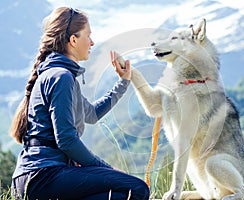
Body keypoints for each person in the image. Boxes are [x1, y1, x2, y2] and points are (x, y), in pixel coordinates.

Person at [9, 7, 149, 200]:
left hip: (36, 177)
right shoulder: (62, 77)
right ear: (73, 40)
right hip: (43, 176)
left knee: (118, 191)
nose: (92, 42)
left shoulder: (60, 75)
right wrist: (109, 170)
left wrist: (123, 82)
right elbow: (66, 140)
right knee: (136, 189)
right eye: (88, 36)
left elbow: (91, 114)